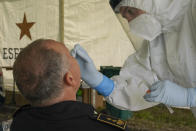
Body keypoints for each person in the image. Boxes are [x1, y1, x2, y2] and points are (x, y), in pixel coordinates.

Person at [71, 0, 196, 113]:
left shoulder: (192, 11)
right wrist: (100, 82)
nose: (132, 22)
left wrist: (190, 97)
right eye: (126, 17)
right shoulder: (157, 40)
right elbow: (142, 84)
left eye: (131, 11)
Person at [10, 39, 129, 131]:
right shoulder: (108, 128)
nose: (76, 60)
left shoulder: (16, 124)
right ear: (69, 78)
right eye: (71, 57)